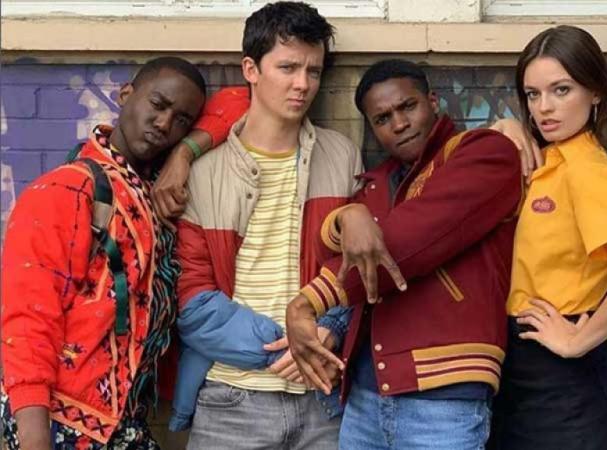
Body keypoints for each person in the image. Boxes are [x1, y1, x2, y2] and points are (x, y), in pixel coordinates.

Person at [283, 58, 523, 449]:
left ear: (433, 102)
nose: (398, 124)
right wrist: (347, 216)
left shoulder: (485, 153)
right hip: (364, 396)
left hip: (444, 397)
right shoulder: (375, 185)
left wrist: (307, 302)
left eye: (407, 106)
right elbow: (328, 250)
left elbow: (410, 239)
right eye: (382, 119)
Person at [173, 2, 358, 448]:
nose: (303, 84)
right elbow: (191, 298)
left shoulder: (342, 155)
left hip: (324, 403)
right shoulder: (203, 171)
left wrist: (331, 328)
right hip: (230, 401)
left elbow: (355, 267)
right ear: (250, 70)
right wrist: (295, 342)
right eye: (288, 68)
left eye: (314, 71)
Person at [0, 56, 206, 450]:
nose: (165, 124)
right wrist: (34, 437)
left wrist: (184, 153)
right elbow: (28, 319)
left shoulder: (148, 191)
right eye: (158, 104)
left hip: (119, 423)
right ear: (125, 94)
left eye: (182, 119)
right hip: (61, 421)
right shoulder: (67, 189)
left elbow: (240, 103)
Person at [489, 25, 607, 450]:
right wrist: (504, 126)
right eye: (532, 95)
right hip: (519, 369)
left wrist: (576, 341)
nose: (544, 108)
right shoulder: (549, 159)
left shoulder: (590, 170)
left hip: (561, 379)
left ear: (596, 92)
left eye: (561, 90)